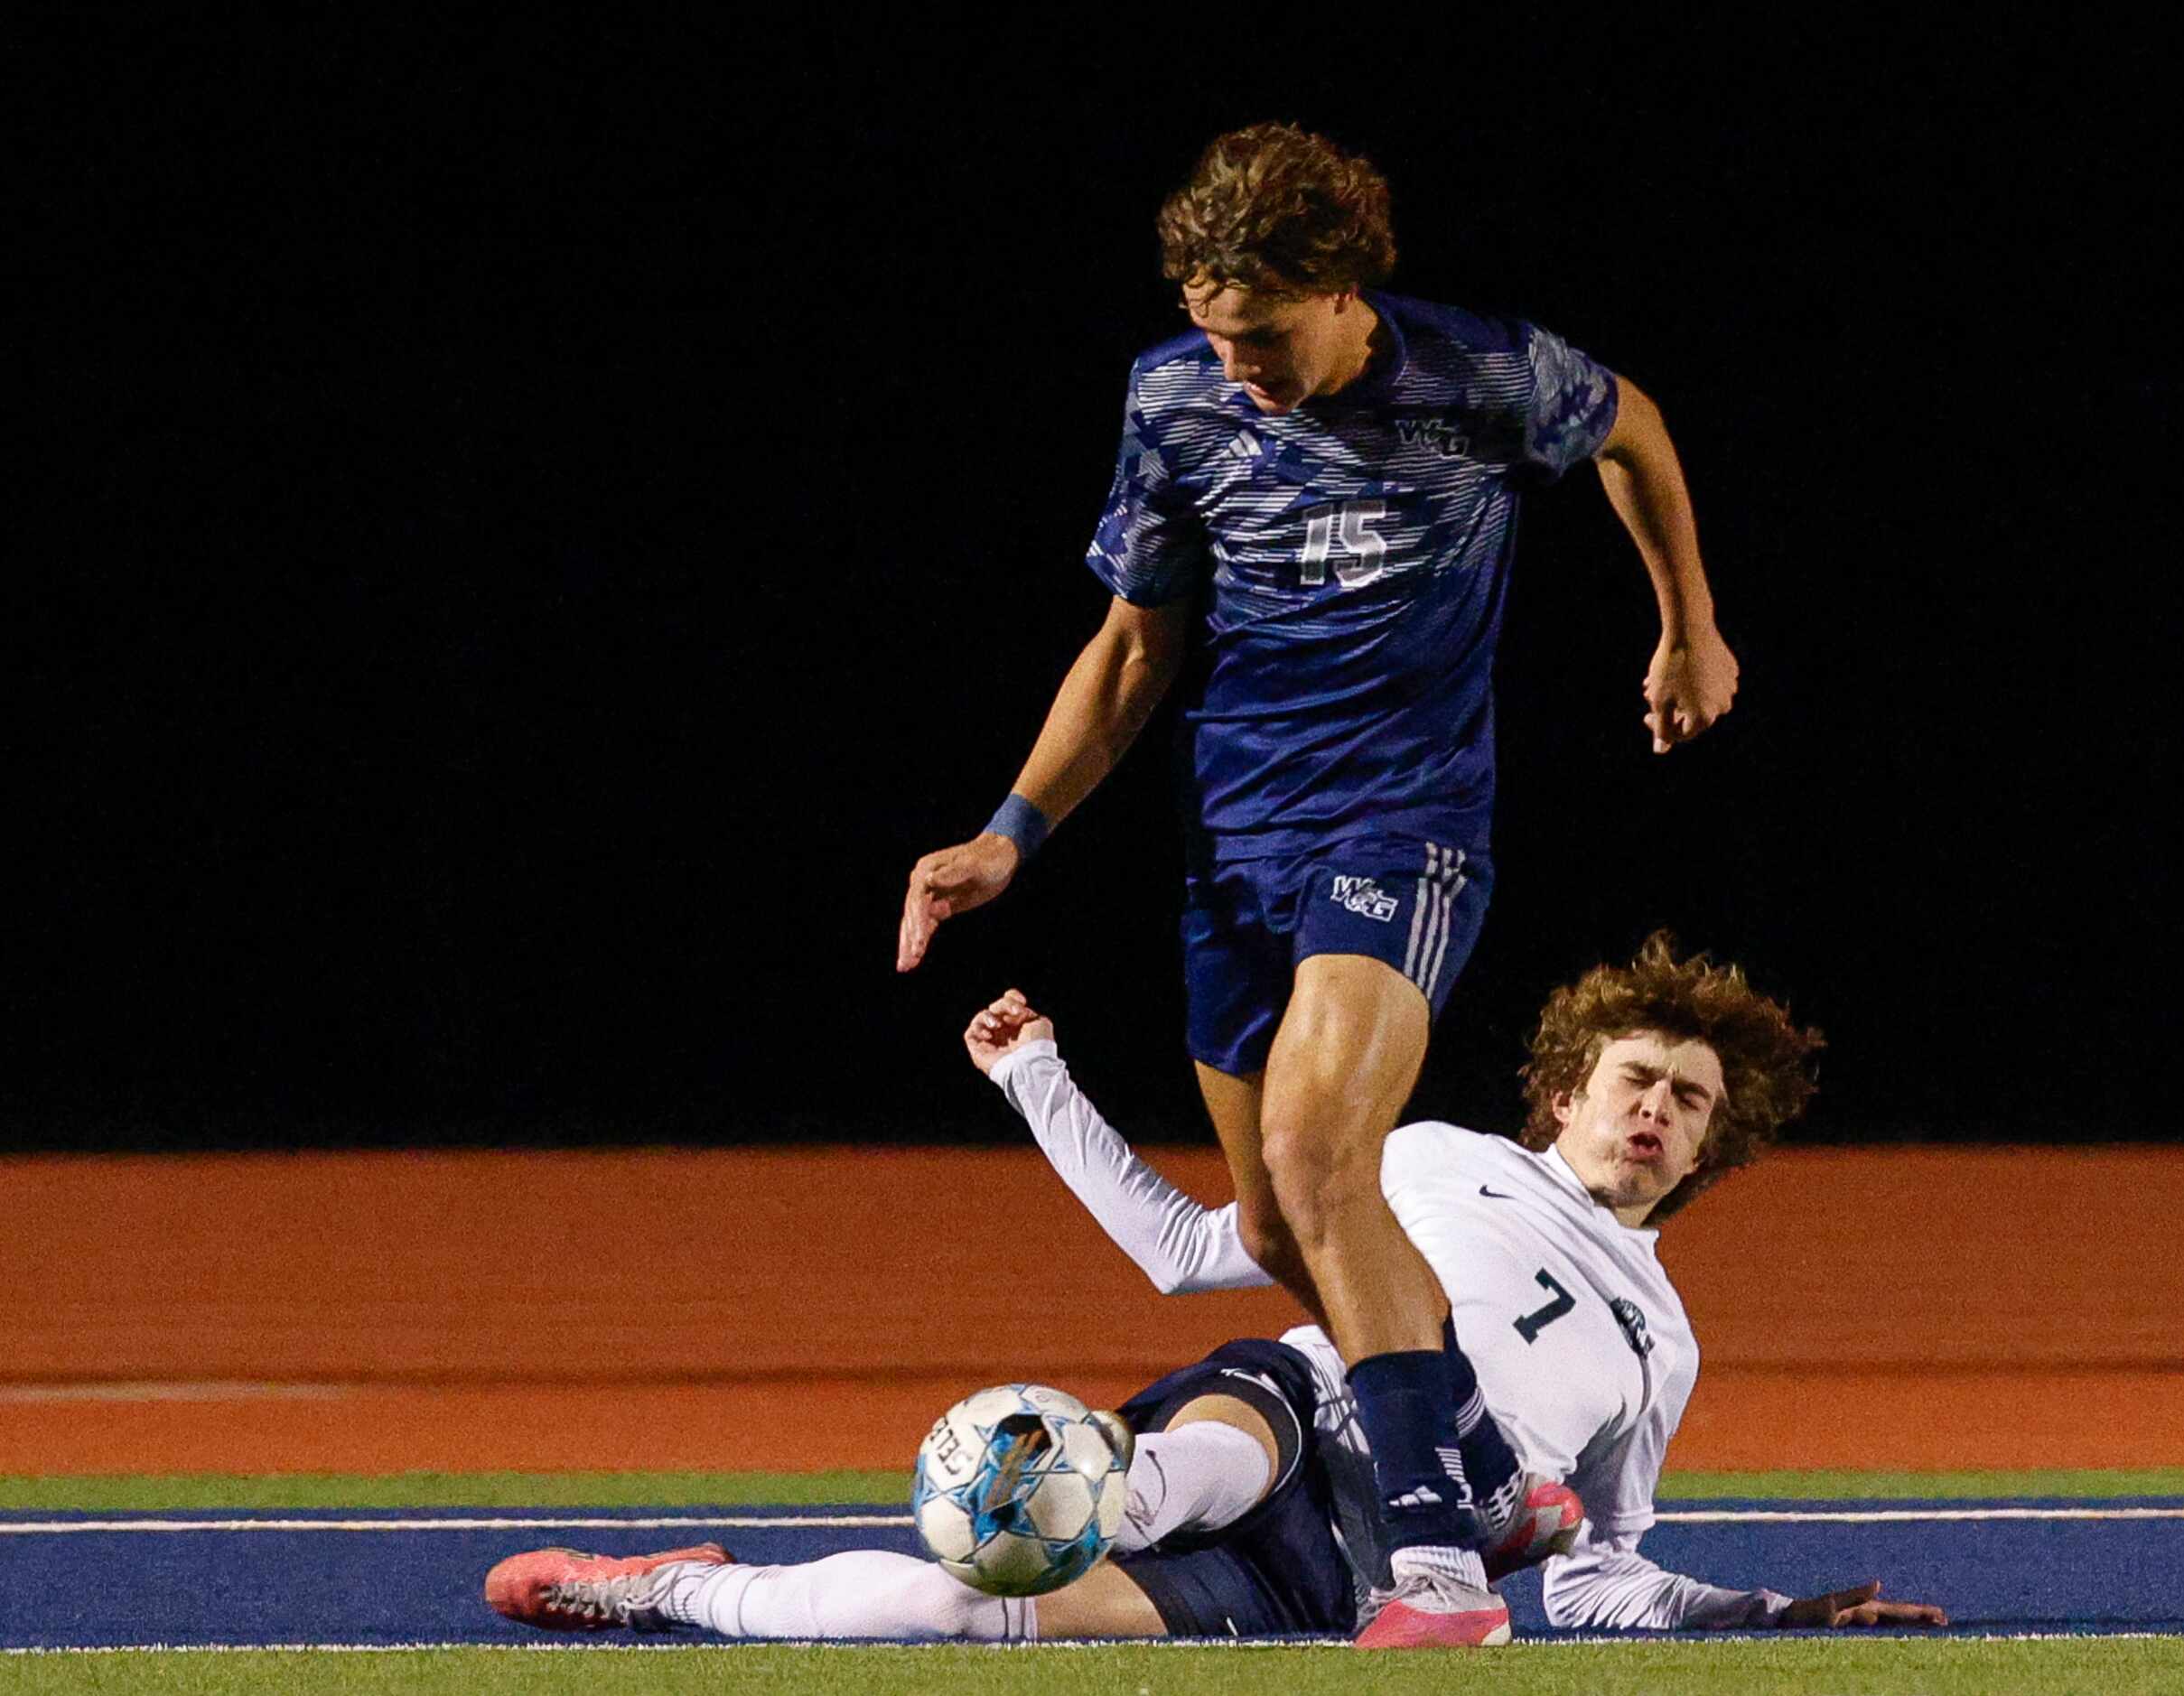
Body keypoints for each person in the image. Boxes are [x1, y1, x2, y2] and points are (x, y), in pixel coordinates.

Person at [895, 120, 1741, 1645]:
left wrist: (1685, 623)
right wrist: (1012, 827)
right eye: (1216, 336)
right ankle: (1488, 1461)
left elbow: (1637, 431)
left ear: (1349, 290)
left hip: (1402, 827)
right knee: (1285, 1223)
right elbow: (1136, 645)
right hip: (1236, 838)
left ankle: (1440, 1562)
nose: (1237, 368)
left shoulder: (1477, 376)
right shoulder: (1172, 402)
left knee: (1313, 1141)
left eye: (1265, 337)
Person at [483, 944, 1947, 1643]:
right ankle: (1078, 1485)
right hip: (1301, 1408)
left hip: (1343, 1572)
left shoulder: (1665, 1343)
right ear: (1566, 1088)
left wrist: (1773, 1611)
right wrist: (1036, 1078)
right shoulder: (1430, 1154)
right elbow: (1193, 1247)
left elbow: (1584, 1574)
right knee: (1135, 1489)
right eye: (1636, 1077)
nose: (1656, 1110)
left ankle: (677, 1586)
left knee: (956, 1615)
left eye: (1690, 1101)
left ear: (1712, 1143)